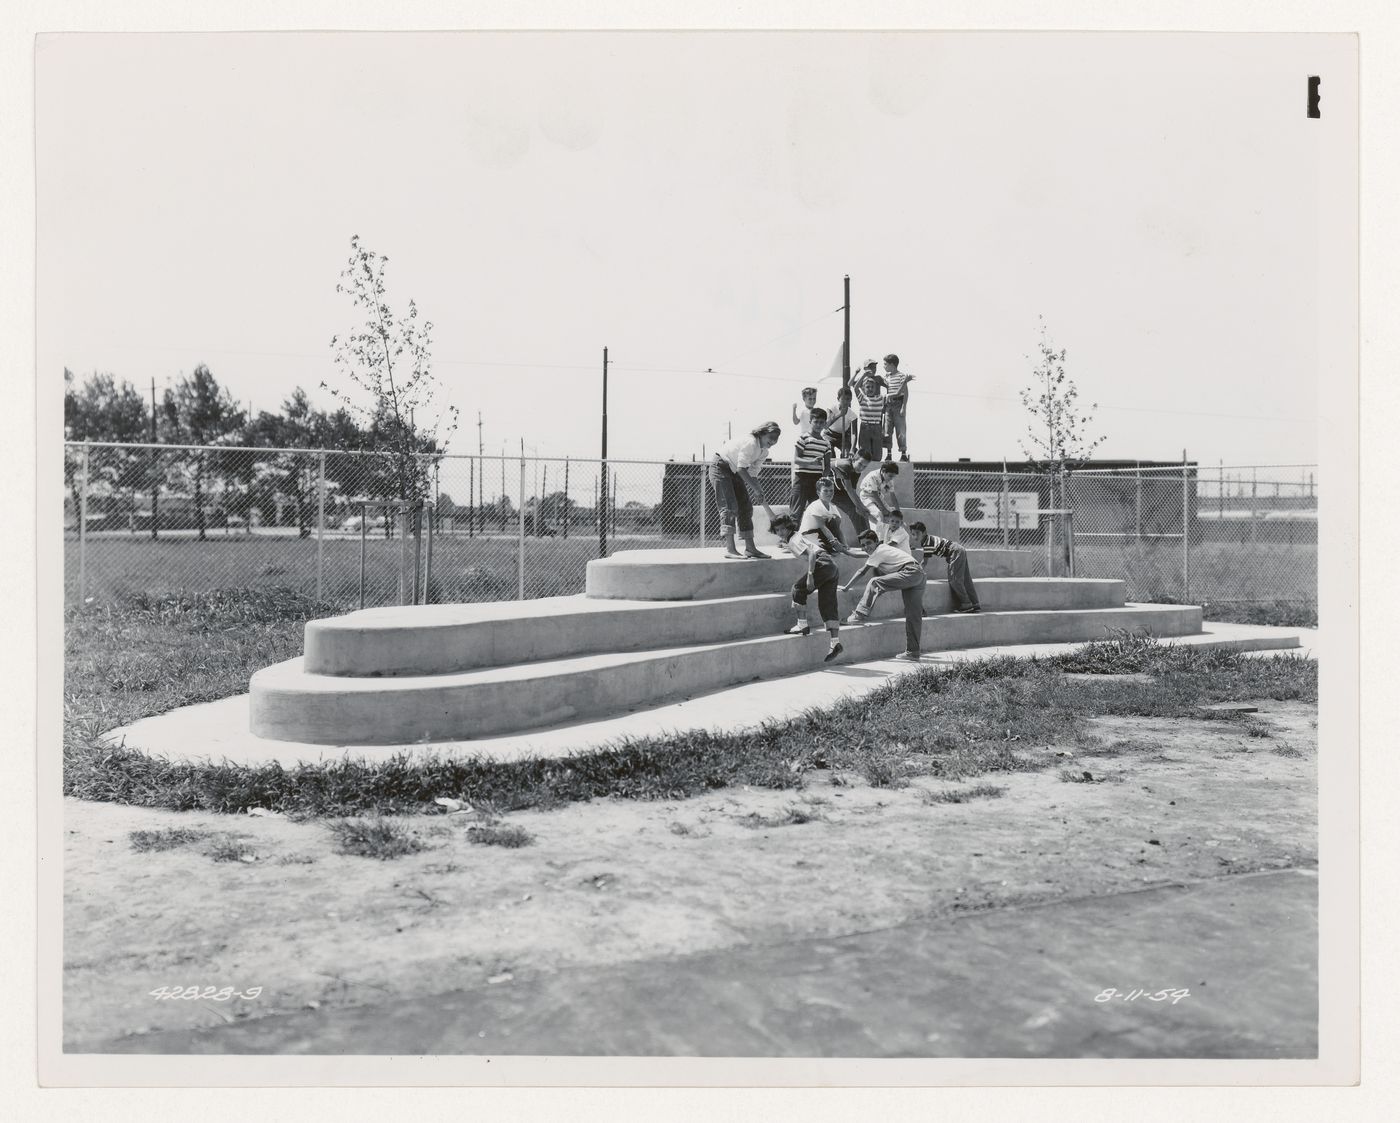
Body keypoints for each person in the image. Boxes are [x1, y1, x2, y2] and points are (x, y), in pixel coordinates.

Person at [841, 529, 928, 661]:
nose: (865, 547)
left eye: (868, 543)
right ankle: (913, 652)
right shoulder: (880, 550)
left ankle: (859, 615)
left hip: (910, 572)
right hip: (919, 574)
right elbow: (861, 555)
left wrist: (846, 587)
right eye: (863, 545)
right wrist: (846, 551)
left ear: (876, 541)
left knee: (875, 582)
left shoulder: (879, 550)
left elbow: (862, 571)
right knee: (913, 616)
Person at [770, 513, 845, 662]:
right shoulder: (796, 535)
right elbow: (773, 518)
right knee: (827, 604)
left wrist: (810, 575)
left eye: (783, 529)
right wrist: (765, 504)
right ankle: (835, 643)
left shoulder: (793, 540)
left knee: (798, 589)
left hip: (822, 563)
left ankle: (802, 625)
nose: (780, 532)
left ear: (789, 527)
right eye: (777, 530)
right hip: (831, 566)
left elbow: (811, 554)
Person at [709, 421, 781, 559]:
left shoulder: (764, 451)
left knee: (746, 507)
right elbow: (742, 469)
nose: (773, 441)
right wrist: (755, 489)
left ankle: (750, 549)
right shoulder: (751, 443)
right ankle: (730, 549)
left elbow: (752, 474)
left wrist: (759, 490)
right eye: (771, 437)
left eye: (776, 439)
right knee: (729, 507)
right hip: (720, 467)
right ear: (762, 433)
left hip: (735, 471)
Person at [908, 520, 981, 613]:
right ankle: (975, 603)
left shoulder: (927, 543)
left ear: (924, 532)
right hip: (958, 549)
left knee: (954, 580)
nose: (915, 536)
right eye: (913, 534)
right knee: (965, 579)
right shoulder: (927, 540)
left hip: (955, 552)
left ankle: (966, 604)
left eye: (918, 533)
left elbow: (924, 562)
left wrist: (915, 572)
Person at [800, 476, 864, 556]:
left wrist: (844, 544)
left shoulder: (833, 507)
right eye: (825, 491)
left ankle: (830, 547)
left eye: (831, 490)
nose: (829, 493)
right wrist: (834, 542)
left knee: (834, 521)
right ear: (818, 493)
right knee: (822, 550)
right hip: (809, 535)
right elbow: (823, 527)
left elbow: (837, 529)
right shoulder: (815, 505)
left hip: (822, 535)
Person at [789, 408, 833, 516]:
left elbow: (827, 465)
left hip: (816, 480)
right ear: (810, 422)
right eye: (816, 422)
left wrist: (822, 479)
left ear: (825, 423)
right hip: (801, 479)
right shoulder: (803, 438)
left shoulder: (826, 443)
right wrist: (811, 462)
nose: (818, 425)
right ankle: (793, 533)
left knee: (816, 513)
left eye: (821, 422)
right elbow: (796, 459)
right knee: (796, 513)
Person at [827, 454, 872, 539]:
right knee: (855, 511)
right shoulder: (845, 466)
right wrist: (861, 507)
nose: (861, 468)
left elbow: (853, 491)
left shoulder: (857, 471)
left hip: (840, 491)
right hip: (829, 491)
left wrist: (862, 507)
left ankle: (870, 539)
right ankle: (864, 541)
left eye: (865, 466)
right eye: (860, 464)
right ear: (854, 460)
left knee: (862, 512)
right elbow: (849, 490)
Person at [880, 353, 915, 461]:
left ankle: (903, 453)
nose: (884, 366)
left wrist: (904, 407)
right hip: (888, 405)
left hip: (898, 404)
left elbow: (905, 393)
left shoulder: (901, 376)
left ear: (892, 364)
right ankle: (889, 453)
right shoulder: (887, 377)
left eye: (885, 364)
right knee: (887, 430)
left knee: (901, 430)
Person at [857, 459, 901, 538]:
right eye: (890, 476)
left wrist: (898, 512)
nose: (891, 478)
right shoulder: (873, 476)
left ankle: (897, 538)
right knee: (878, 514)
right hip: (867, 497)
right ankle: (876, 539)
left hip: (879, 496)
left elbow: (893, 496)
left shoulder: (890, 479)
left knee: (893, 515)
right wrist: (883, 509)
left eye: (893, 477)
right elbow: (874, 494)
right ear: (883, 471)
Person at [852, 366, 887, 463]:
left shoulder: (880, 398)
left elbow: (890, 390)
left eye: (872, 387)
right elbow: (855, 388)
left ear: (876, 388)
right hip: (865, 426)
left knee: (877, 455)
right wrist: (864, 375)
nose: (870, 389)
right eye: (867, 387)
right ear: (863, 388)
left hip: (877, 426)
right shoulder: (862, 398)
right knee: (864, 452)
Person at [824, 385, 857, 456]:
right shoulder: (831, 408)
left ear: (851, 400)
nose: (845, 401)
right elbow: (826, 426)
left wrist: (852, 449)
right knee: (829, 452)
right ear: (838, 399)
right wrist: (839, 414)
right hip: (829, 434)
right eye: (843, 399)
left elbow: (854, 433)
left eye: (848, 399)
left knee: (847, 454)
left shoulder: (853, 415)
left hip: (843, 436)